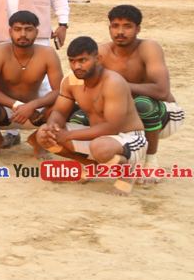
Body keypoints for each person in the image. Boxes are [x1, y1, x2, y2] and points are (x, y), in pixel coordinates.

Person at [33, 36, 147, 197]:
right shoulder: (71, 80)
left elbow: (112, 127)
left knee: (99, 147)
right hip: (98, 136)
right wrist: (53, 124)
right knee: (44, 133)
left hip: (129, 139)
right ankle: (92, 166)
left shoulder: (113, 82)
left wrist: (68, 135)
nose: (77, 66)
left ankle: (127, 174)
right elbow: (59, 111)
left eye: (83, 60)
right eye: (72, 61)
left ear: (97, 59)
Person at [95, 5, 183, 181]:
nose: (120, 31)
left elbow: (162, 91)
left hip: (165, 116)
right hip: (126, 116)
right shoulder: (102, 52)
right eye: (115, 26)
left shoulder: (148, 47)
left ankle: (151, 163)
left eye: (127, 26)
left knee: (142, 104)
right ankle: (103, 161)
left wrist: (120, 85)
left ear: (138, 29)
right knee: (81, 113)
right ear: (109, 28)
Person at [0, 11, 62, 160]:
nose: (23, 34)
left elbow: (59, 91)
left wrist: (32, 106)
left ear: (37, 32)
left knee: (68, 107)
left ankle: (38, 139)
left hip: (36, 113)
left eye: (28, 29)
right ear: (10, 32)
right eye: (18, 29)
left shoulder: (47, 53)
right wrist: (19, 106)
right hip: (5, 111)